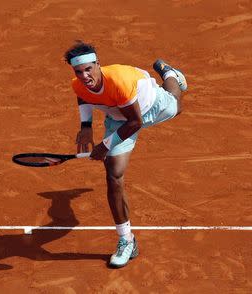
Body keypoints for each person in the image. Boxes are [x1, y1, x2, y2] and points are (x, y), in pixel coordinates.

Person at [64, 41, 187, 268]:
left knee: (176, 106)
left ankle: (170, 73)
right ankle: (126, 239)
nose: (84, 75)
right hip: (119, 118)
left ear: (98, 64)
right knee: (114, 174)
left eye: (88, 69)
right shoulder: (78, 84)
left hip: (150, 105)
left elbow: (135, 122)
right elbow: (83, 96)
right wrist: (86, 125)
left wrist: (105, 145)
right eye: (78, 71)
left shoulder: (118, 82)